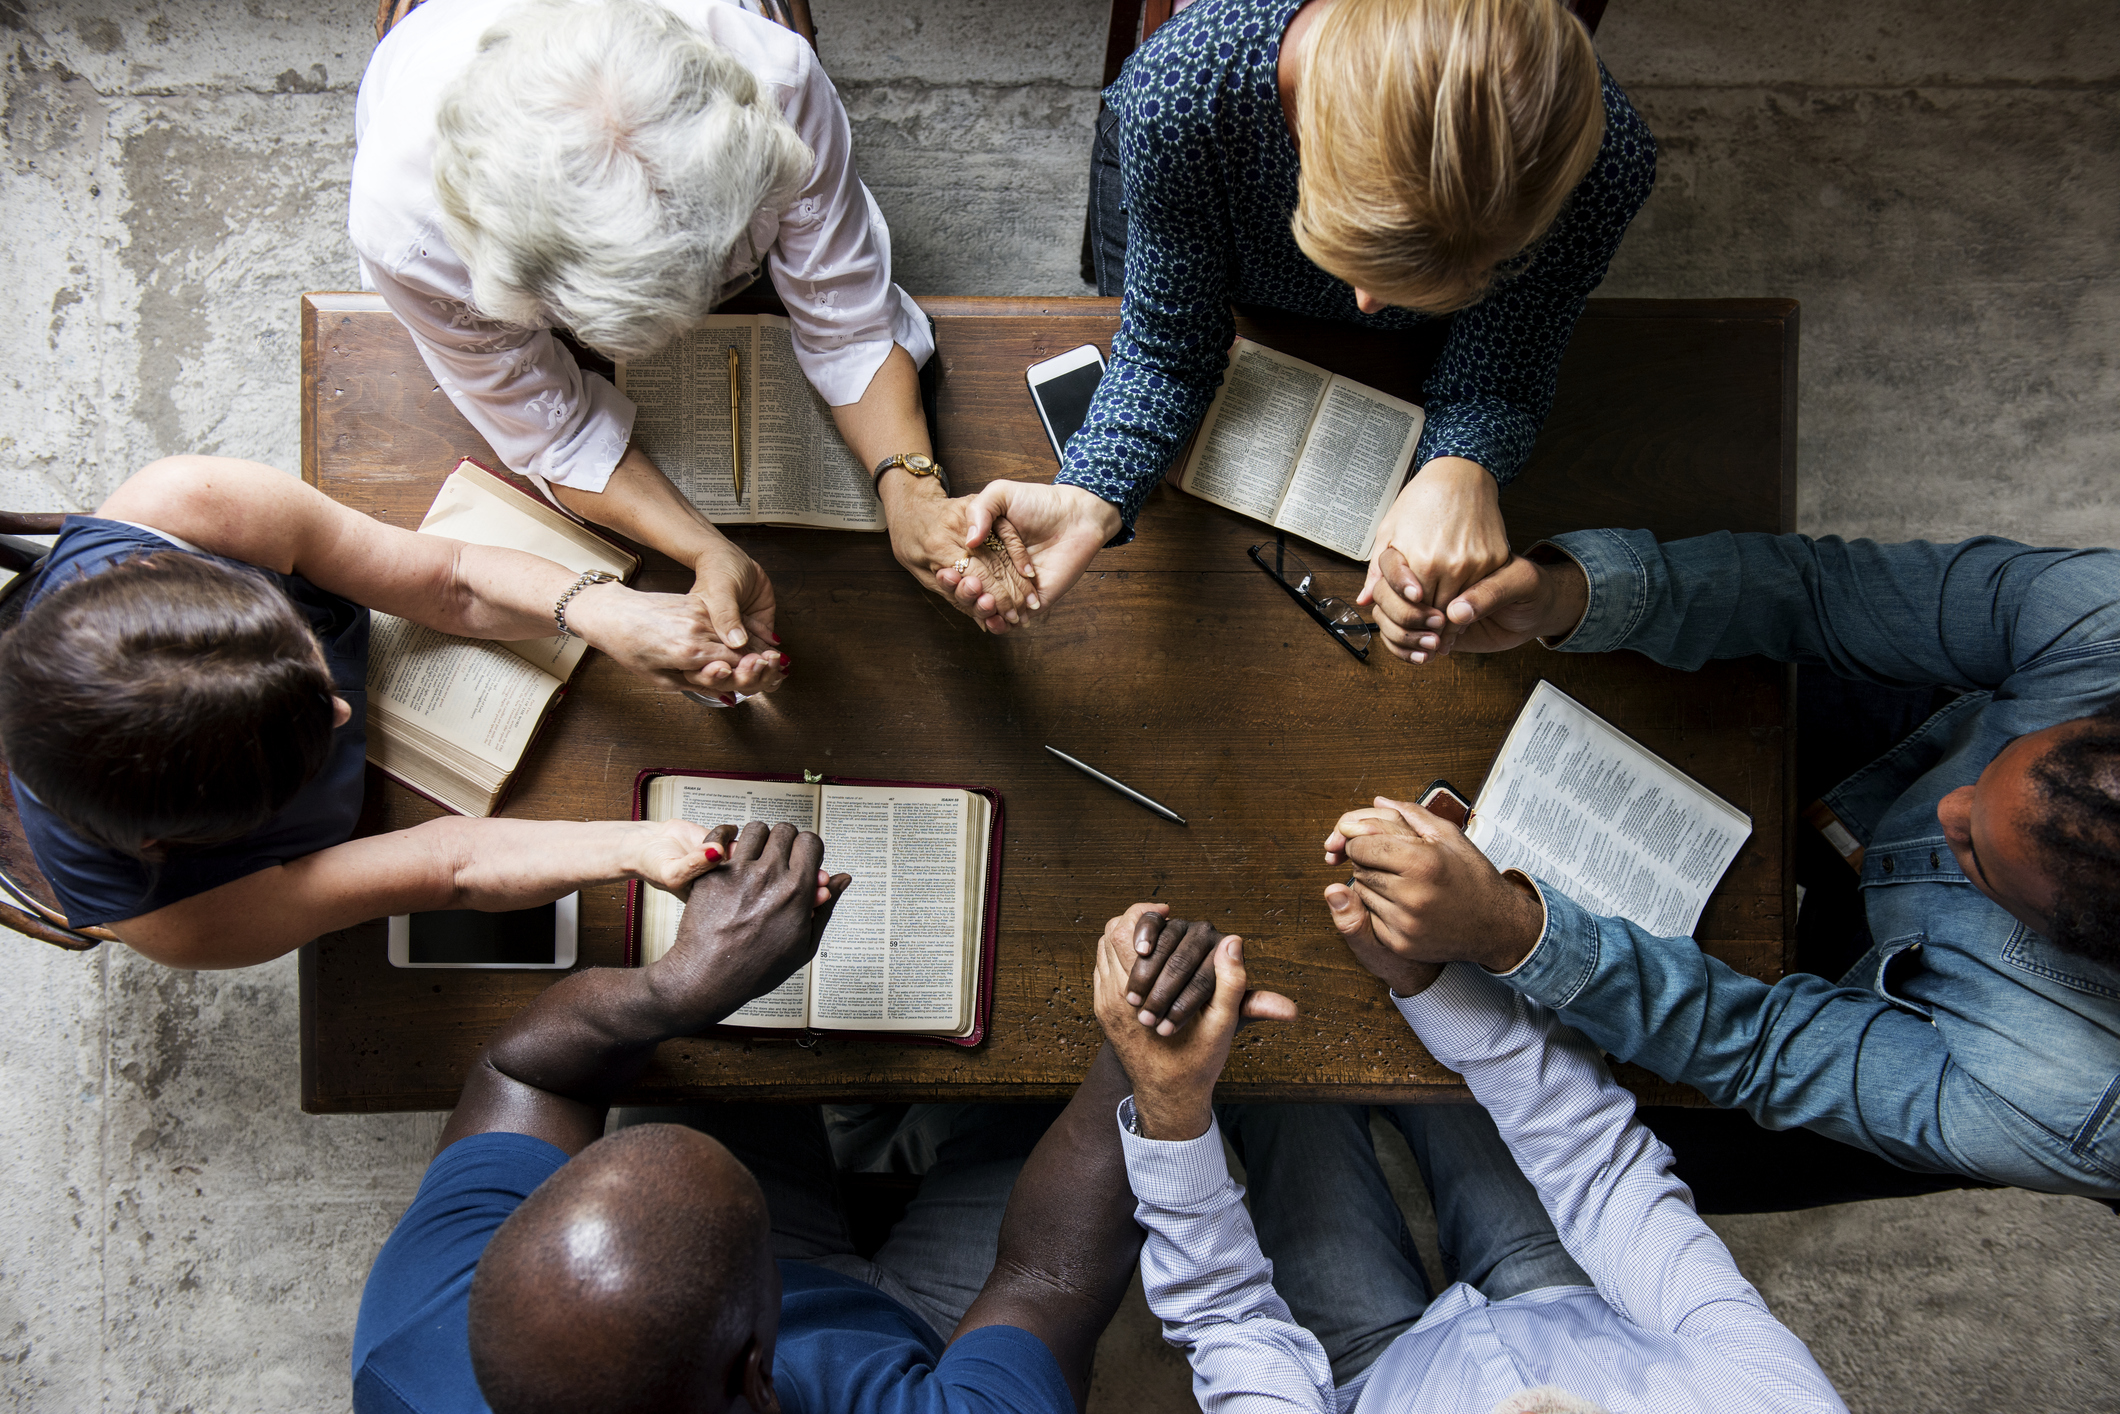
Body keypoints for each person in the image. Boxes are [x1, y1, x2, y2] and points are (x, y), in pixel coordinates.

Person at [1326, 528, 2120, 1200]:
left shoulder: (2070, 1103)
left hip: (1947, 1039)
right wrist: (1571, 593)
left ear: (2059, 937)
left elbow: (1761, 1048)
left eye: (1977, 854)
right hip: (1903, 753)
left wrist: (1513, 932)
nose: (1950, 810)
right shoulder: (2104, 627)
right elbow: (1821, 591)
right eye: (1996, 766)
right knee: (1653, 675)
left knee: (1616, 1153)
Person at [352, 820, 1143, 1414]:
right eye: (756, 1242)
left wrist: (677, 989)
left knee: (709, 1051)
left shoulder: (418, 1343)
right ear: (759, 1376)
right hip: (938, 1334)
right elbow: (1047, 1280)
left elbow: (521, 1074)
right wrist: (1141, 1052)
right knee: (1065, 1074)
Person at [942, 0, 1655, 650]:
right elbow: (1167, 346)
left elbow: (1508, 356)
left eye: (1458, 274)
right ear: (1305, 127)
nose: (1369, 305)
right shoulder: (1184, 91)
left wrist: (1461, 466)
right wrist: (1089, 495)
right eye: (1353, 249)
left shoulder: (1606, 163)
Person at [353, 0, 1034, 658]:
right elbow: (554, 431)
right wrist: (706, 549)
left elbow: (848, 318)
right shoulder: (406, 232)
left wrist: (912, 492)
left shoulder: (775, 78)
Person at [1095, 900, 1848, 1413]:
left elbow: (1228, 1316)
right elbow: (1604, 1173)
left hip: (1367, 1377)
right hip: (1567, 1302)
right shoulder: (1774, 1401)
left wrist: (1172, 1103)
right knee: (1449, 1047)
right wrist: (1429, 979)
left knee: (1278, 1071)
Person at [0, 456, 746, 969]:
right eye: (299, 742)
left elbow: (450, 579)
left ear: (168, 571)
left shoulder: (184, 510)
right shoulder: (182, 920)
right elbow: (448, 867)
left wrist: (602, 609)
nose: (336, 709)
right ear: (170, 839)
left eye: (305, 666)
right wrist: (636, 846)